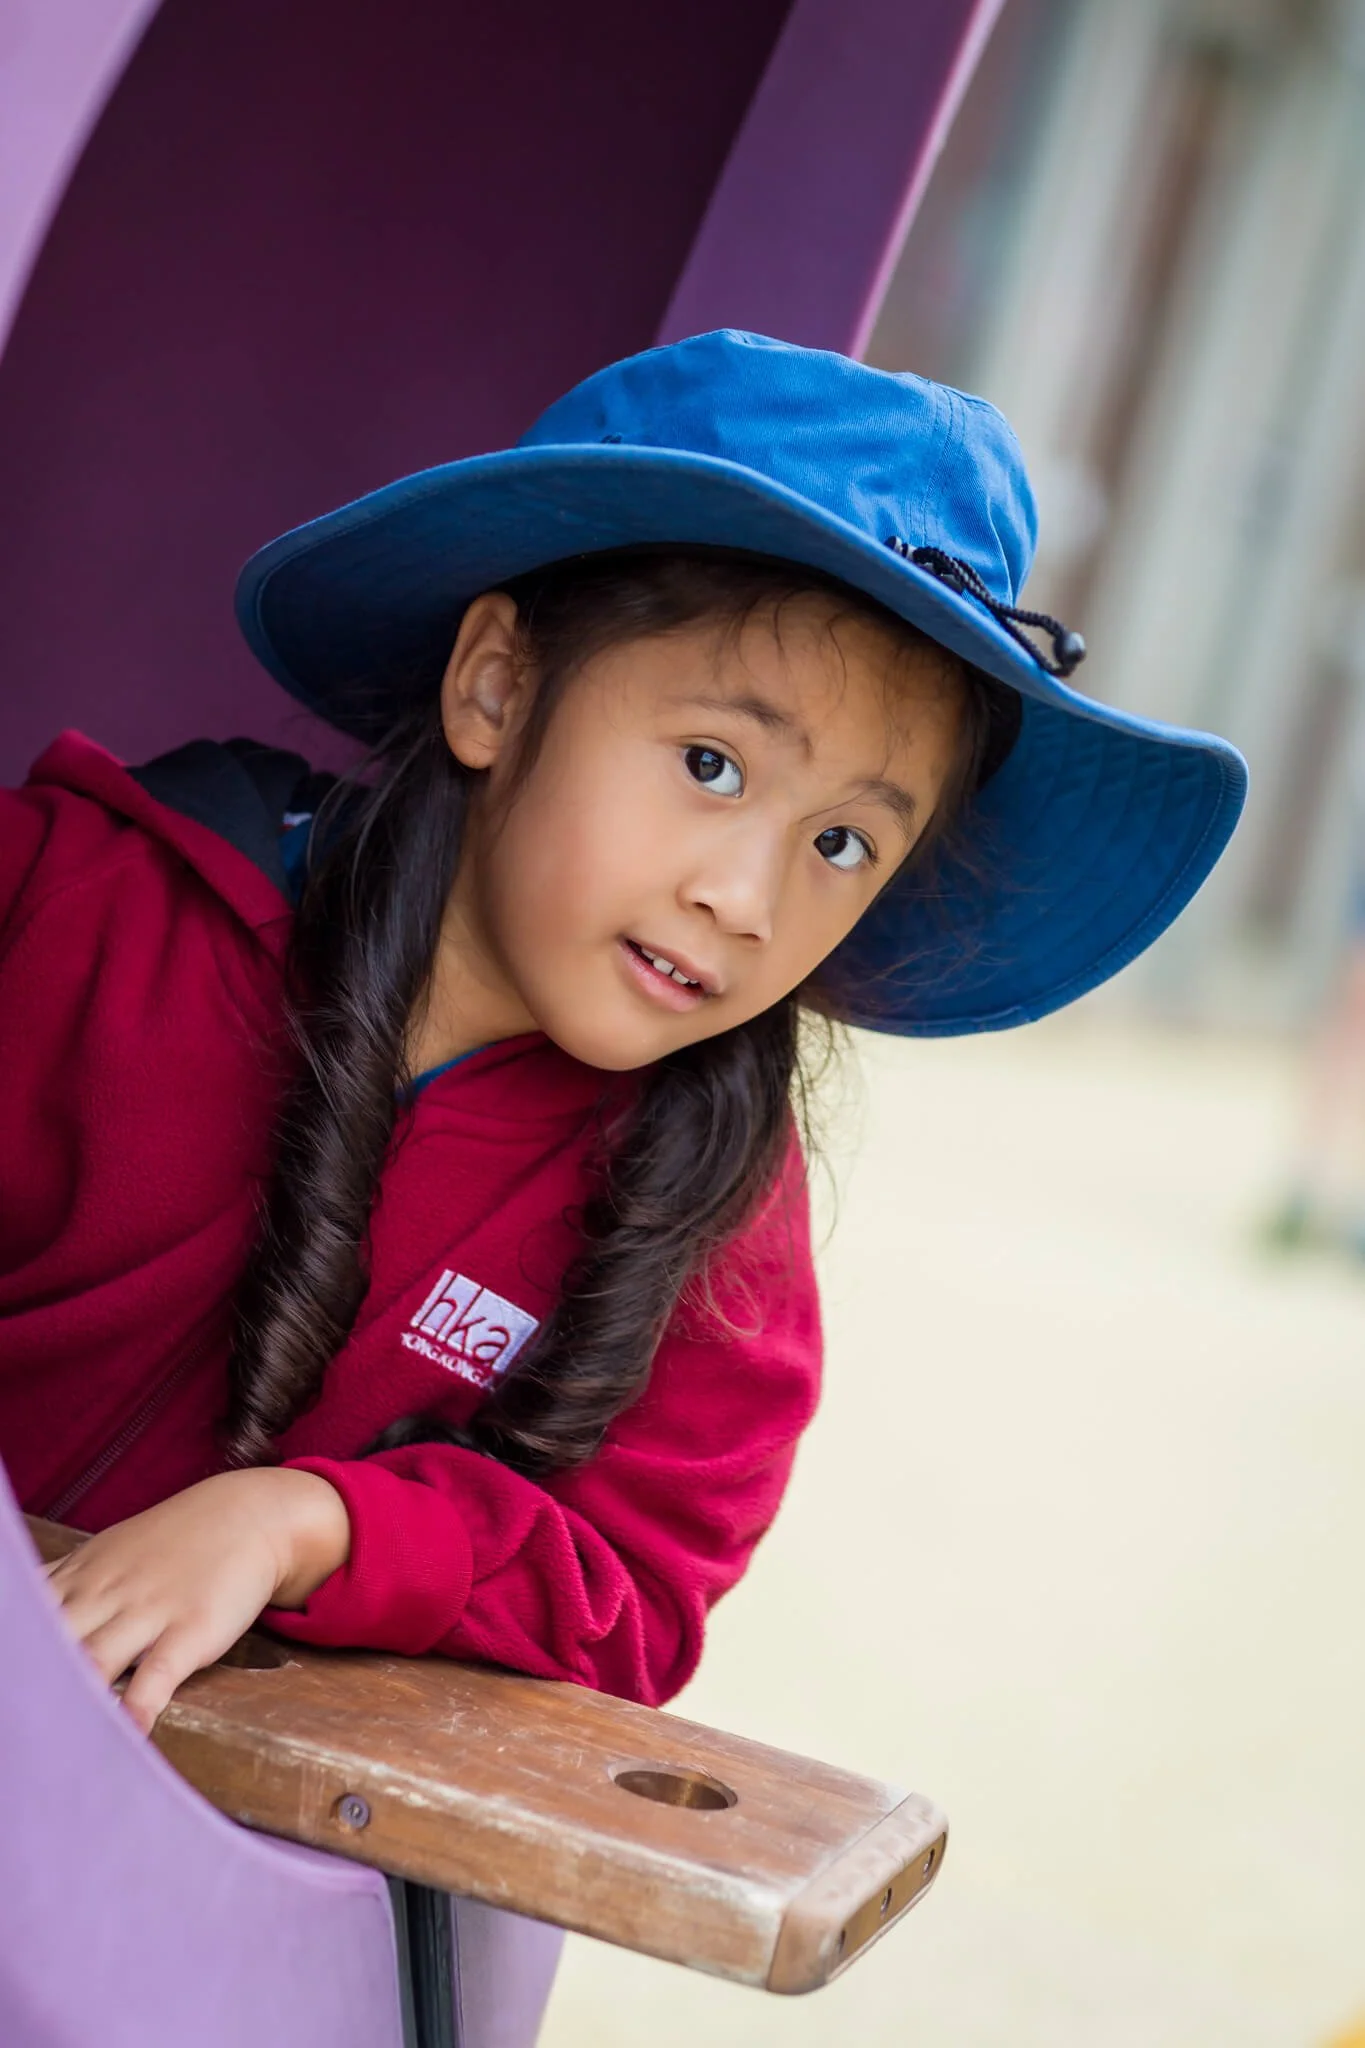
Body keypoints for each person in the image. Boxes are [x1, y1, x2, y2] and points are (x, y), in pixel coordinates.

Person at [0, 330, 1246, 1734]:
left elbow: (638, 1589)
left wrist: (315, 1527)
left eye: (841, 841)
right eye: (712, 765)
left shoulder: (718, 1219)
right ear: (497, 687)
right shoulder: (79, 904)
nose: (747, 896)